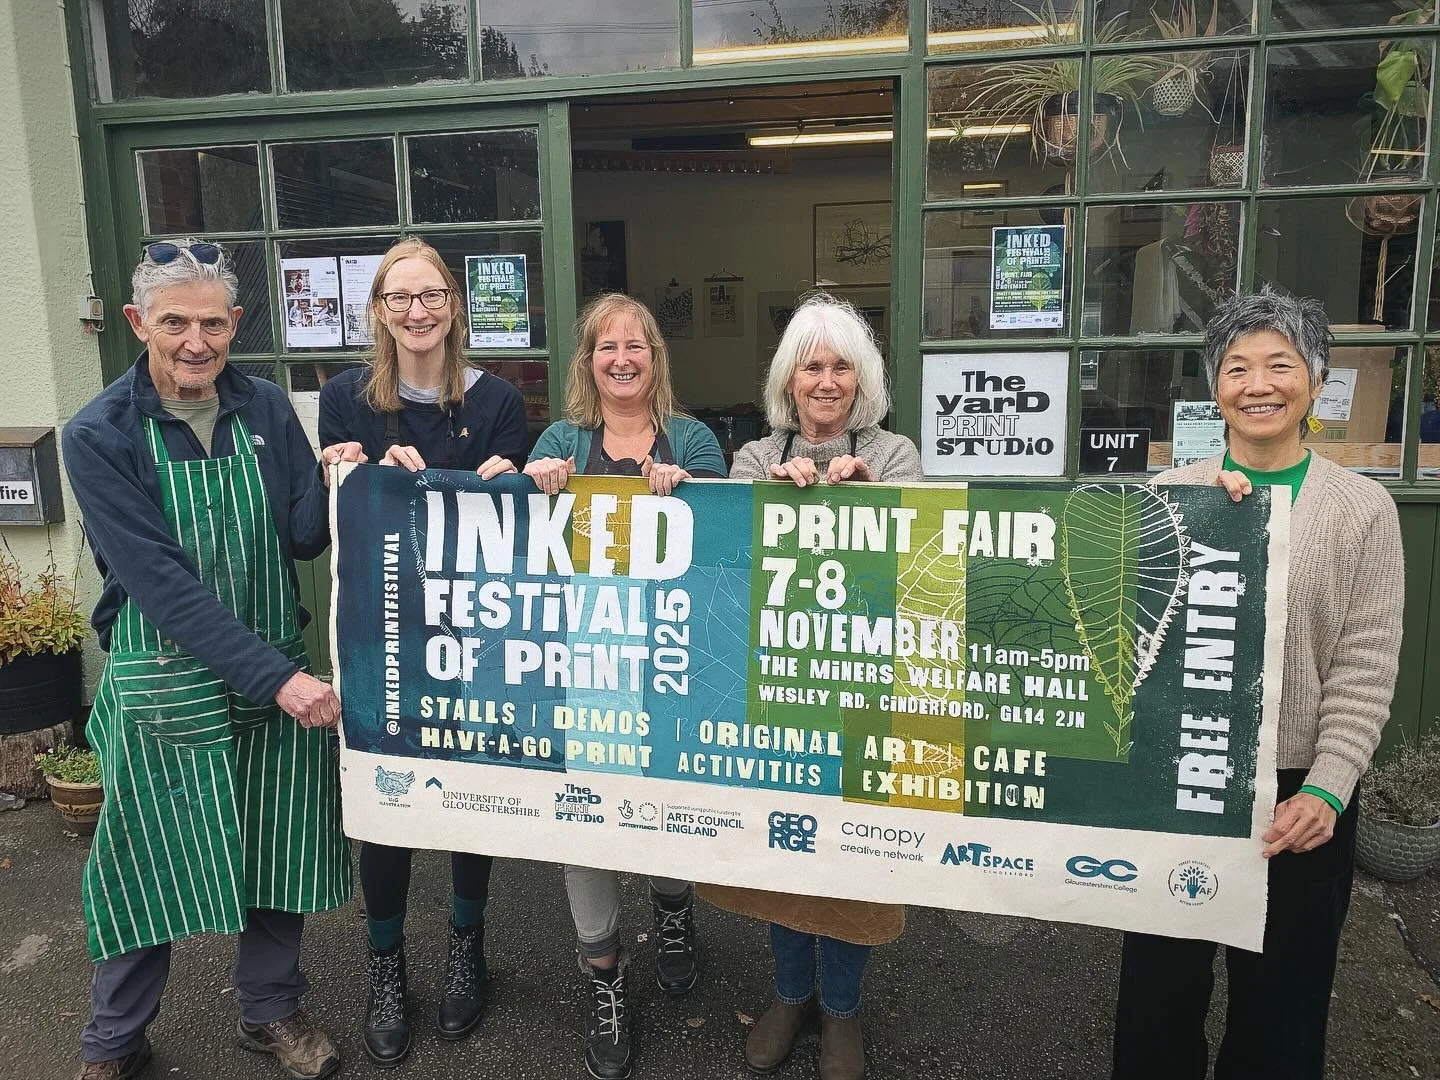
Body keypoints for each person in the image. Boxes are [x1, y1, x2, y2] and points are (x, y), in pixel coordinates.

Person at [62, 240, 352, 1080]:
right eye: (175, 322)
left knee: (277, 846)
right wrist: (281, 678)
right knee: (144, 857)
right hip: (167, 680)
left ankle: (270, 1013)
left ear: (236, 324)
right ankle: (114, 1041)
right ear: (136, 323)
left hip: (272, 669)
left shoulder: (263, 408)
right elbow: (159, 584)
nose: (197, 341)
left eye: (213, 323)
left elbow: (301, 536)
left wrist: (340, 478)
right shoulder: (98, 433)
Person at [1111, 285, 1405, 1080]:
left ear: (1315, 381)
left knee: (1282, 1007)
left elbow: (1366, 665)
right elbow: (1128, 639)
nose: (1258, 384)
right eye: (1237, 368)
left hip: (1297, 798)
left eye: (1281, 364)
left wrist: (1330, 789)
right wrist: (1202, 524)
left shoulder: (1363, 510)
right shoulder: (1174, 496)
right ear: (1217, 389)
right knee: (1157, 997)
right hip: (1184, 778)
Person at [701, 292, 922, 1080]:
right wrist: (768, 501)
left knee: (855, 858)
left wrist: (871, 500)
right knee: (783, 853)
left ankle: (842, 1012)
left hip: (864, 690)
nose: (825, 381)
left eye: (840, 367)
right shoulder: (755, 460)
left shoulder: (895, 455)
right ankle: (791, 994)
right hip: (779, 687)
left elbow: (915, 570)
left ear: (861, 381)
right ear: (787, 382)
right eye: (810, 366)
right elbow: (731, 576)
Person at [317, 237, 526, 1066]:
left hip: (473, 627)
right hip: (382, 627)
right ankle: (385, 963)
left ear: (453, 305)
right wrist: (349, 466)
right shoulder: (344, 398)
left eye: (430, 294)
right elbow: (334, 521)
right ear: (377, 310)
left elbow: (515, 530)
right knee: (387, 801)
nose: (415, 311)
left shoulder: (499, 399)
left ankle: (467, 947)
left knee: (471, 791)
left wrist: (513, 479)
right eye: (398, 297)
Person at [522, 293, 726, 1080]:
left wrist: (695, 492)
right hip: (583, 665)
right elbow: (519, 544)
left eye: (635, 345)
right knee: (583, 819)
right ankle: (603, 974)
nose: (622, 359)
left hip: (671, 662)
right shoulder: (560, 439)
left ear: (654, 357)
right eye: (607, 347)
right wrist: (533, 488)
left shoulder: (697, 438)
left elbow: (723, 558)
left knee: (669, 802)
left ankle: (674, 913)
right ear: (589, 362)